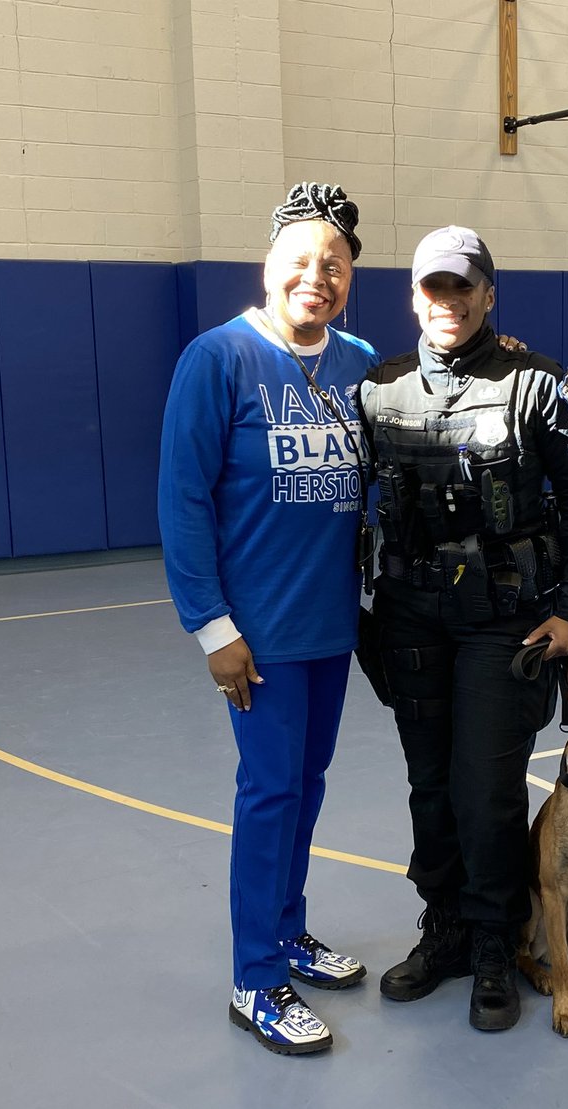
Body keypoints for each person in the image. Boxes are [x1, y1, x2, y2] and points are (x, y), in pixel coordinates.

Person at [358, 226, 568, 1032]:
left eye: (463, 287)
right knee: (430, 787)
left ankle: (498, 939)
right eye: (433, 288)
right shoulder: (379, 388)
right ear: (414, 297)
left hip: (507, 625)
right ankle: (448, 930)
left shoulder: (539, 384)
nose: (448, 302)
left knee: (486, 792)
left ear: (489, 293)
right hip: (411, 619)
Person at [158, 182, 378, 1056]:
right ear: (270, 265)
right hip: (260, 639)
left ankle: (289, 930)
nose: (315, 277)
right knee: (270, 793)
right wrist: (213, 628)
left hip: (333, 628)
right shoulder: (216, 359)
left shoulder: (359, 361)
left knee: (308, 788)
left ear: (350, 278)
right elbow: (182, 501)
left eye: (333, 265)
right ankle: (255, 978)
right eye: (300, 261)